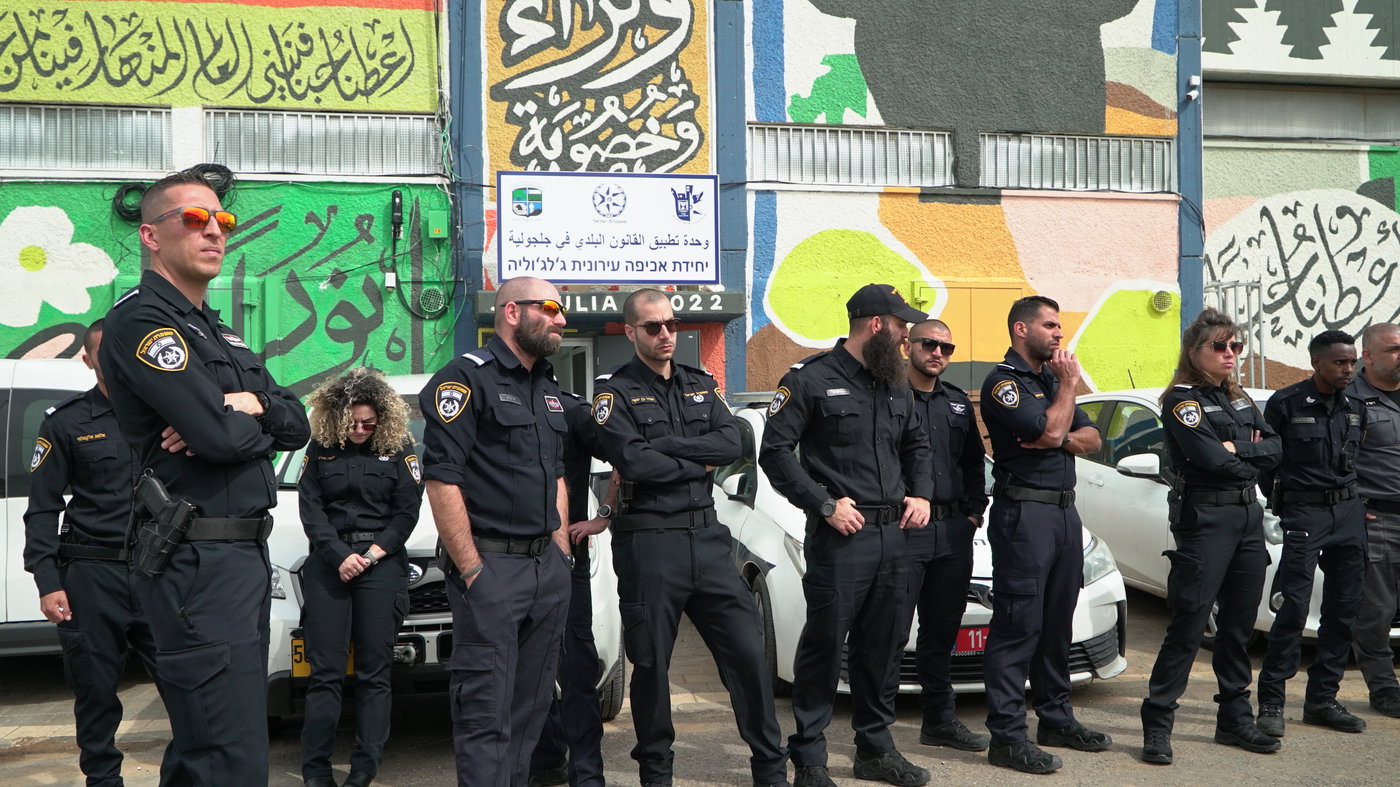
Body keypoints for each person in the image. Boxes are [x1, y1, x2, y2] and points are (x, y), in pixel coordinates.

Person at [99, 163, 311, 785]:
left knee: (209, 749)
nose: (215, 230)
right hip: (196, 559)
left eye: (223, 219)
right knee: (230, 753)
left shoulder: (222, 331)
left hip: (238, 556)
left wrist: (252, 406)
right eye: (195, 219)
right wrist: (232, 420)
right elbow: (218, 438)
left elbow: (299, 422)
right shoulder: (143, 322)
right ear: (151, 236)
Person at [591, 288, 790, 787]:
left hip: (707, 537)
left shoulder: (701, 384)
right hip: (649, 544)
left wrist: (666, 446)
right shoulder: (611, 394)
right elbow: (633, 461)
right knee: (652, 665)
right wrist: (690, 457)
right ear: (630, 331)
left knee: (747, 653)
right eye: (653, 326)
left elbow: (734, 441)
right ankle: (656, 774)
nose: (665, 334)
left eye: (671, 325)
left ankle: (769, 767)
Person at [759, 283, 932, 787]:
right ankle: (810, 759)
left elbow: (917, 444)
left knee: (883, 649)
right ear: (875, 324)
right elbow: (775, 453)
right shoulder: (810, 379)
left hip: (894, 536)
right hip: (842, 538)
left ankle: (875, 750)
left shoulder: (895, 381)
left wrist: (921, 493)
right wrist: (824, 504)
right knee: (825, 646)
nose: (907, 335)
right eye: (901, 325)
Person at [419, 276, 573, 787]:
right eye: (550, 308)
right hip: (491, 570)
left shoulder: (547, 387)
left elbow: (554, 475)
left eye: (561, 311)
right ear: (511, 312)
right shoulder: (465, 380)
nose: (561, 319)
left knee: (529, 711)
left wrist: (559, 552)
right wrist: (472, 571)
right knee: (485, 713)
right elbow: (442, 480)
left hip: (544, 571)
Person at [23, 319, 166, 787]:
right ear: (88, 360)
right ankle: (103, 780)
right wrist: (48, 582)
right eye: (103, 352)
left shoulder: (167, 416)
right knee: (95, 691)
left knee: (186, 686)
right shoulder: (66, 421)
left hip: (159, 573)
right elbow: (42, 509)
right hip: (91, 576)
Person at [1139, 308, 1281, 765]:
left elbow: (1277, 448)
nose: (1229, 354)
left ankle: (1234, 719)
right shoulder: (1182, 400)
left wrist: (1240, 448)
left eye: (1235, 347)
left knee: (1238, 627)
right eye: (1218, 347)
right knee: (1189, 625)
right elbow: (1207, 459)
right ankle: (1158, 724)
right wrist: (1248, 458)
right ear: (1195, 352)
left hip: (1246, 518)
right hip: (1206, 520)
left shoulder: (1238, 396)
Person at [979, 295, 1107, 775]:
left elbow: (1090, 440)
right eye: (1050, 325)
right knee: (1018, 626)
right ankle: (1008, 738)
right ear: (1020, 329)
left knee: (1057, 623)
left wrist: (1058, 422)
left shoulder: (1052, 382)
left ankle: (1055, 718)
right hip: (1025, 515)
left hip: (1064, 516)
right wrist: (1066, 395)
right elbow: (1052, 434)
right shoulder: (1003, 383)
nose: (1059, 334)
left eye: (1061, 326)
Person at [298, 368, 423, 787]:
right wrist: (339, 556)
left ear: (382, 419)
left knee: (374, 672)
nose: (360, 429)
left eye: (369, 423)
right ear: (337, 417)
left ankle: (364, 767)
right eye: (352, 422)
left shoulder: (399, 448)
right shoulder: (320, 449)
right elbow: (310, 510)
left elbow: (407, 512)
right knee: (325, 672)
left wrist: (369, 556)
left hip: (380, 563)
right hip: (330, 564)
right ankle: (315, 769)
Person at [1255, 331, 1368, 736]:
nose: (1348, 369)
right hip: (1306, 513)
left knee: (1343, 609)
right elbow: (1267, 462)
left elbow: (1359, 456)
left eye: (1352, 362)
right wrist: (1287, 505)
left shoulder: (1357, 405)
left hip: (1349, 513)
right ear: (1316, 362)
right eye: (1340, 362)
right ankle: (1271, 702)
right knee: (1294, 608)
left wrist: (1356, 507)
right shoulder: (1285, 404)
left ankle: (1322, 700)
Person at [892, 319, 990, 753]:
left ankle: (939, 720)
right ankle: (876, 733)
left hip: (952, 532)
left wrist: (973, 513)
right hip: (903, 531)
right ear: (907, 347)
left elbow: (974, 462)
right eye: (930, 344)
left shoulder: (955, 402)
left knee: (941, 631)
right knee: (890, 632)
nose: (938, 353)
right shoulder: (888, 397)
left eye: (947, 348)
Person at [528, 389, 609, 787]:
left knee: (576, 667)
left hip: (567, 555)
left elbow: (626, 451)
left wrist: (604, 514)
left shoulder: (572, 407)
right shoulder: (488, 395)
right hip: (509, 558)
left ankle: (587, 772)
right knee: (526, 667)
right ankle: (545, 760)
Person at [1349, 322, 1400, 719]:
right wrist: (1352, 504)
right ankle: (1383, 687)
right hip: (1378, 517)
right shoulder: (1349, 400)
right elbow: (1333, 460)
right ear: (1368, 356)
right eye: (1394, 349)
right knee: (1376, 611)